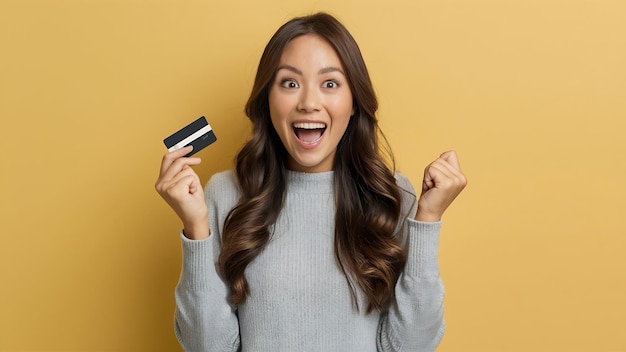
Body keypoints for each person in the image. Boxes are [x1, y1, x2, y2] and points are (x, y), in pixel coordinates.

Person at [156, 12, 466, 352]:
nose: (308, 103)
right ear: (268, 100)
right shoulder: (225, 194)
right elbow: (207, 347)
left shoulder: (392, 195)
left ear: (353, 103)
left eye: (330, 84)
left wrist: (427, 220)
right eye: (290, 83)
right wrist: (196, 227)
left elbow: (412, 347)